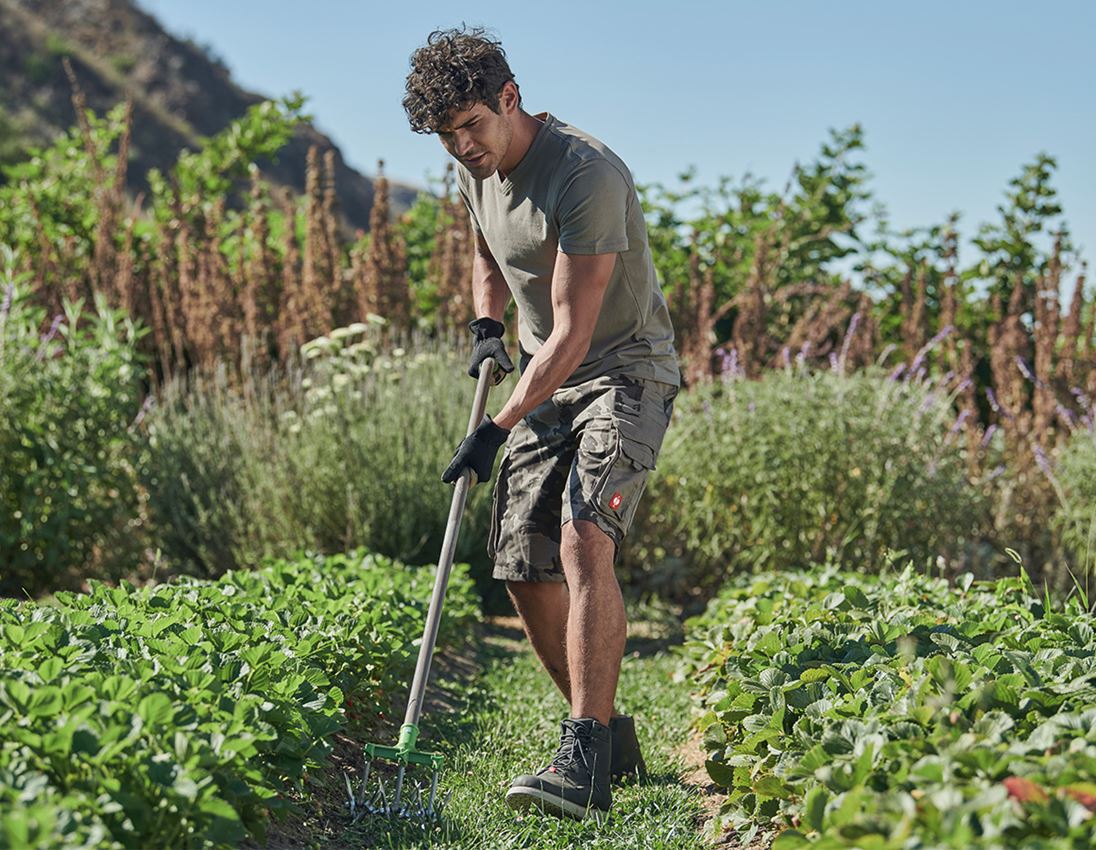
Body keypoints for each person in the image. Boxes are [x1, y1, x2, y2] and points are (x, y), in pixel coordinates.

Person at [403, 26, 680, 821]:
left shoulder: (585, 173)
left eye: (472, 127)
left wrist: (496, 424)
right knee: (522, 565)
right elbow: (488, 250)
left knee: (583, 533)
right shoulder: (471, 165)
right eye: (446, 135)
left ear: (509, 98)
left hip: (623, 371)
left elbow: (572, 333)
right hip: (540, 374)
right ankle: (609, 733)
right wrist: (486, 324)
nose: (462, 146)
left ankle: (585, 754)